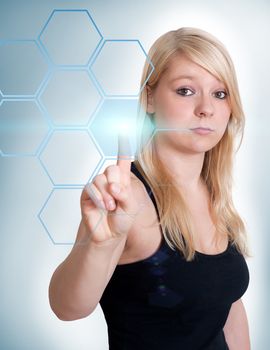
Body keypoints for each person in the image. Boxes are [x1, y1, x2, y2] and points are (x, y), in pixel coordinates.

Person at [48, 27, 251, 349]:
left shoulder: (215, 195)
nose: (206, 108)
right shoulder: (131, 198)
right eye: (185, 91)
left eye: (220, 93)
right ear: (150, 99)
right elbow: (68, 307)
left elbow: (227, 307)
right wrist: (101, 243)